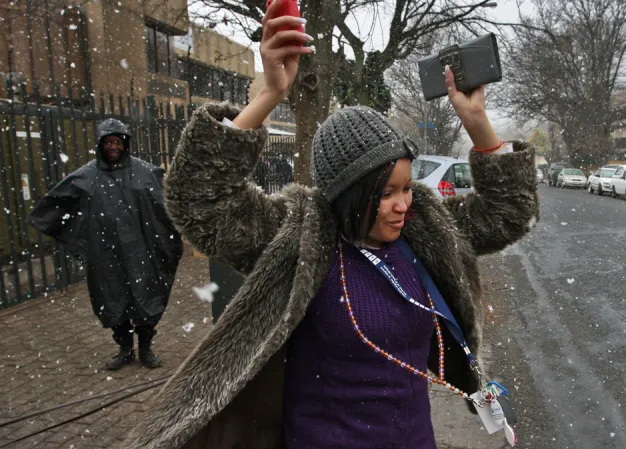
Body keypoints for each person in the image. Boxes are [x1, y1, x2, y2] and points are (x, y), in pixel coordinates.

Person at [121, 2, 539, 448]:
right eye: (385, 193)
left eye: (406, 187)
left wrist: (477, 121)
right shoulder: (302, 239)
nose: (403, 205)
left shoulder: (424, 229)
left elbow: (507, 214)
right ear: (348, 194)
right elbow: (199, 200)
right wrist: (268, 96)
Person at [29, 118, 183, 371]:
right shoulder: (86, 176)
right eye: (108, 142)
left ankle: (145, 348)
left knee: (147, 298)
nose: (113, 146)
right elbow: (55, 205)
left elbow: (169, 205)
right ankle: (124, 349)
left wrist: (168, 239)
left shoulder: (146, 173)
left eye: (117, 142)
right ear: (100, 145)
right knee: (112, 300)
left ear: (125, 144)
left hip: (141, 252)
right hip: (105, 254)